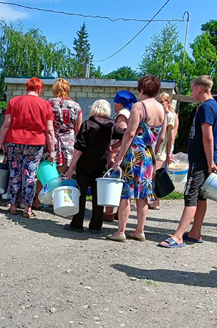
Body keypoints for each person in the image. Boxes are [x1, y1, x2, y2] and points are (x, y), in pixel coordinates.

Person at [159, 75, 217, 248]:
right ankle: (195, 232)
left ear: (200, 89)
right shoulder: (216, 107)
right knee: (201, 197)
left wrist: (210, 162)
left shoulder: (206, 108)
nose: (192, 92)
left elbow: (209, 138)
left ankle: (178, 236)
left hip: (200, 161)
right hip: (207, 160)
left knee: (190, 196)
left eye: (192, 89)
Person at [107, 75, 167, 242]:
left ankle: (121, 231)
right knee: (143, 194)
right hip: (149, 155)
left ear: (141, 89)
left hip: (133, 154)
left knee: (125, 193)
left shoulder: (138, 107)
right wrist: (153, 152)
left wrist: (119, 157)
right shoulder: (163, 110)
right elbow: (161, 137)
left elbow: (130, 133)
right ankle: (139, 230)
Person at [64, 100, 125, 233]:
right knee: (99, 196)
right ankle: (96, 226)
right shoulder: (111, 125)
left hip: (84, 164)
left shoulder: (87, 124)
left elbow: (79, 148)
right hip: (101, 165)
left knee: (81, 194)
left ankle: (77, 224)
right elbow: (125, 134)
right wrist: (114, 148)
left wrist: (71, 166)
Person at [0, 77, 55, 218]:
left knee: (14, 173)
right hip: (35, 143)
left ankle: (13, 206)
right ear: (40, 89)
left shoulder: (14, 101)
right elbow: (49, 130)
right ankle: (27, 209)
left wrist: (1, 142)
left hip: (14, 141)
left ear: (27, 88)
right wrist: (52, 150)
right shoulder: (45, 105)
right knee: (30, 175)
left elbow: (6, 124)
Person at [33, 78, 82, 209]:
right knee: (64, 175)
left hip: (49, 142)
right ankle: (60, 204)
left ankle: (37, 201)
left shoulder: (47, 104)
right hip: (68, 144)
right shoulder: (76, 106)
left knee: (44, 173)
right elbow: (79, 130)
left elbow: (43, 125)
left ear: (54, 89)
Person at [103, 90, 137, 222]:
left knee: (113, 182)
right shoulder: (131, 113)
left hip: (120, 154)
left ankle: (109, 212)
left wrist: (114, 151)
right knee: (123, 184)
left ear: (120, 103)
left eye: (115, 102)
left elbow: (123, 135)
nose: (114, 104)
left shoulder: (122, 115)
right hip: (130, 153)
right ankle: (118, 212)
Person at [149, 92, 179, 210]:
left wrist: (168, 152)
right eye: (159, 101)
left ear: (168, 102)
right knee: (152, 175)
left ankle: (156, 201)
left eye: (162, 101)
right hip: (155, 148)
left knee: (157, 176)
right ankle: (152, 200)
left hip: (161, 150)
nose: (160, 104)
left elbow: (170, 136)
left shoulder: (170, 115)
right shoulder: (161, 114)